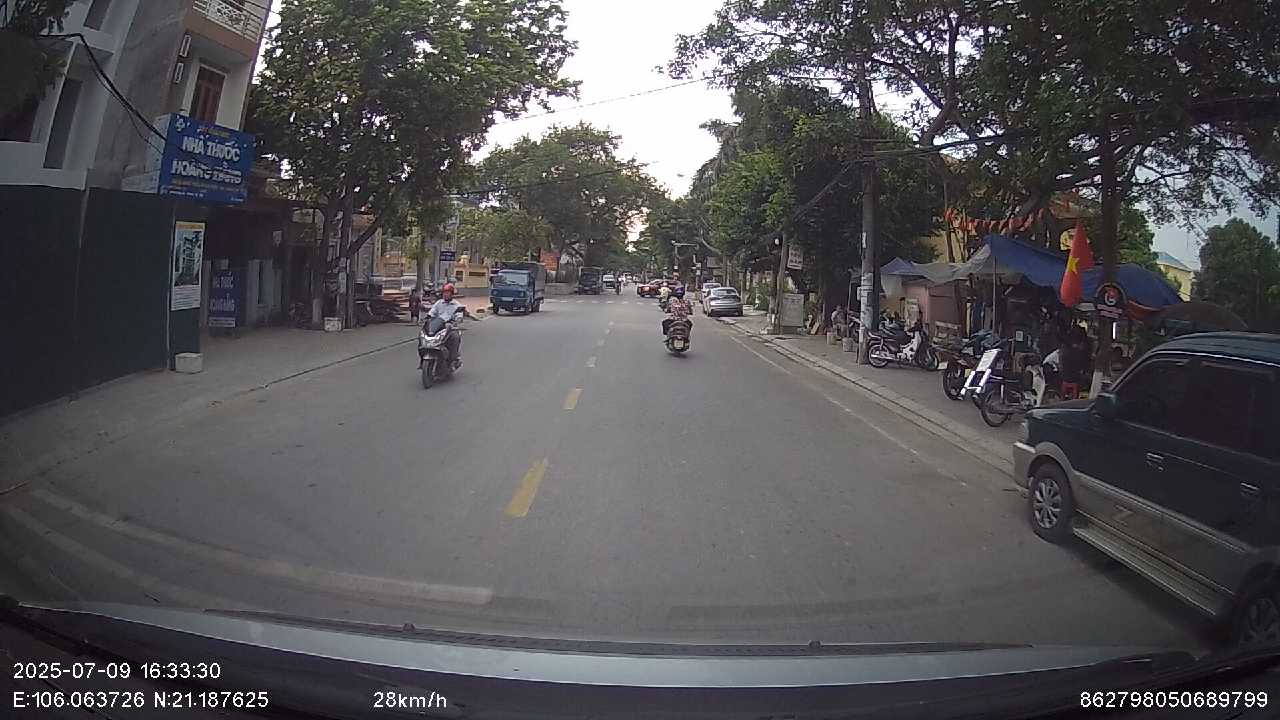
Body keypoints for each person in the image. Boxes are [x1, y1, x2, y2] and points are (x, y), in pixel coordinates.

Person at [424, 283, 476, 366]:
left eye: (448, 293)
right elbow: (432, 312)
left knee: (455, 337)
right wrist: (428, 317)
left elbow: (459, 316)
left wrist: (458, 319)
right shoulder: (438, 303)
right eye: (444, 292)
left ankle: (453, 359)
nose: (445, 294)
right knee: (424, 336)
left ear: (452, 294)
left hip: (450, 327)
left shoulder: (456, 305)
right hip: (438, 327)